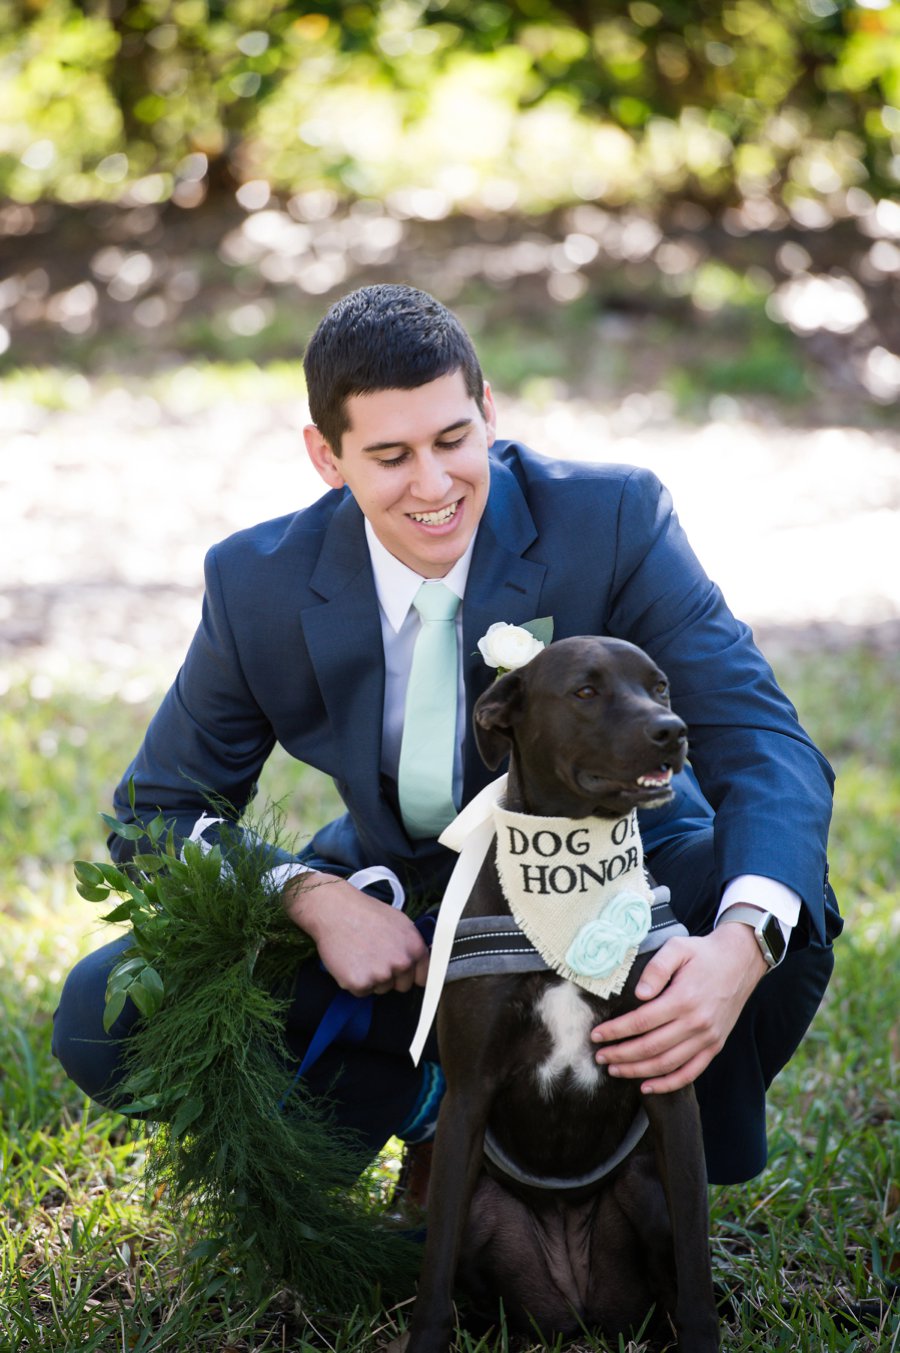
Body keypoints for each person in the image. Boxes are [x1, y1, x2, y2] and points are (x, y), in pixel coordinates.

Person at [53, 283, 841, 1186]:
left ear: (488, 411)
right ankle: (429, 1108)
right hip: (405, 909)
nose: (434, 485)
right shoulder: (256, 584)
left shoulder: (613, 519)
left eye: (454, 440)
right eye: (389, 455)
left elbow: (765, 743)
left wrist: (740, 944)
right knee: (99, 1012)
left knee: (780, 903)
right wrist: (310, 895)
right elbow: (158, 811)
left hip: (621, 882)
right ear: (326, 456)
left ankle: (645, 1161)